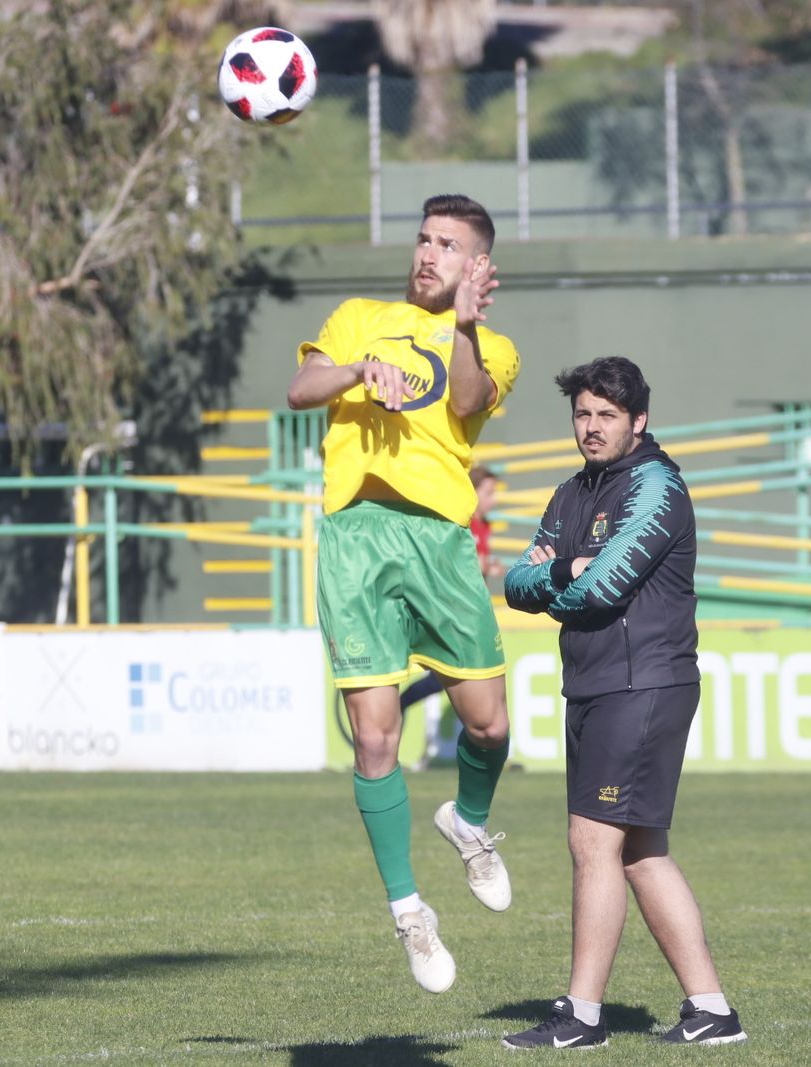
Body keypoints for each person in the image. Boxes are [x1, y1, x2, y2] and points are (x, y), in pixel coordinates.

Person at [287, 194, 521, 994]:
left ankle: (468, 820)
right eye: (423, 238)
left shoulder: (495, 347)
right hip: (356, 538)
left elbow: (463, 401)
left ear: (476, 266)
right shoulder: (359, 315)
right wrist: (355, 368)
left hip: (441, 542)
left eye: (448, 244)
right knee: (376, 740)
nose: (428, 252)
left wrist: (458, 326)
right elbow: (299, 388)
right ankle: (408, 911)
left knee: (488, 725)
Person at [501, 356, 747, 1048]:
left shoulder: (658, 488)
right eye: (583, 413)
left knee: (592, 840)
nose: (591, 426)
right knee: (638, 850)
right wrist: (558, 571)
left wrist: (562, 586)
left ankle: (581, 1016)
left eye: (607, 415)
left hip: (643, 684)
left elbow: (602, 590)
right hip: (596, 683)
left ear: (639, 421)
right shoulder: (570, 493)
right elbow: (518, 581)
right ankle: (712, 1010)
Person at [398, 465, 503, 716]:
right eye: (489, 492)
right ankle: (399, 706)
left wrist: (487, 567)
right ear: (473, 493)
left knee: (465, 680)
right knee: (450, 677)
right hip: (452, 612)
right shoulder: (460, 522)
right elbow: (457, 564)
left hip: (469, 612)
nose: (494, 499)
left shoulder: (483, 525)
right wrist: (483, 566)